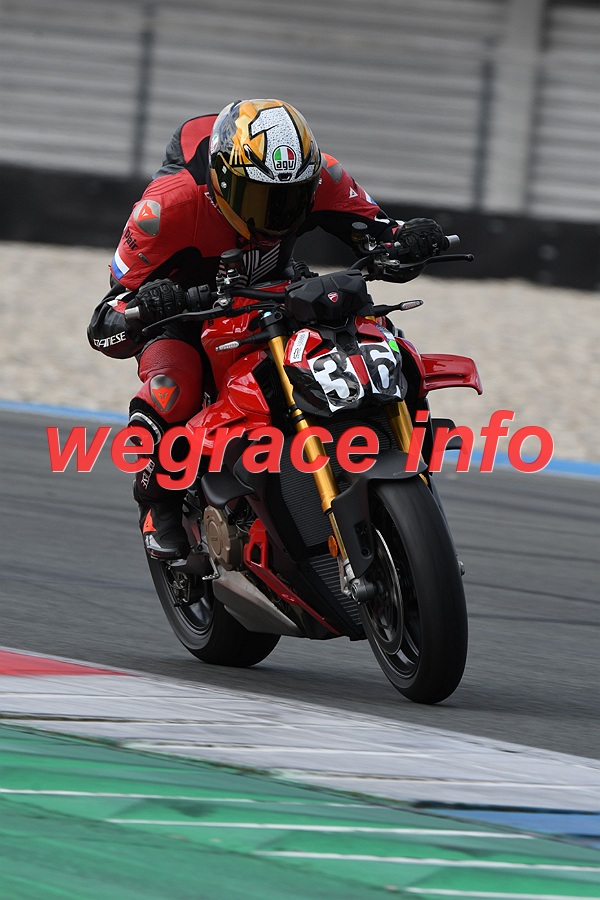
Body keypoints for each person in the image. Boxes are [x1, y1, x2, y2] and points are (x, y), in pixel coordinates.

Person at [88, 98, 445, 560]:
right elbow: (106, 320)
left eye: (291, 199)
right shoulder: (164, 209)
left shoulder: (322, 175)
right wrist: (153, 302)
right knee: (173, 385)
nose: (277, 215)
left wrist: (411, 241)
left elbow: (381, 233)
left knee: (373, 337)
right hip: (188, 315)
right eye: (259, 198)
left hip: (276, 294)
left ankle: (393, 454)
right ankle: (156, 501)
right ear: (223, 182)